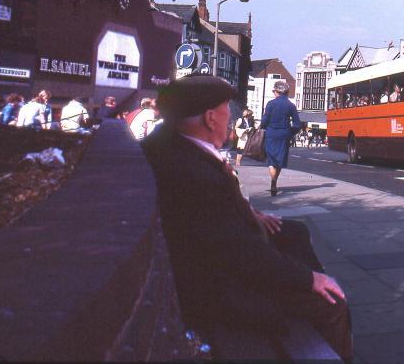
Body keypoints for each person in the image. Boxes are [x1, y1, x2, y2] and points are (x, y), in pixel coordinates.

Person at [141, 75, 351, 360]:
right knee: (333, 301)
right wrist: (307, 280)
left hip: (207, 266)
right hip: (220, 290)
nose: (232, 117)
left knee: (294, 231)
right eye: (228, 108)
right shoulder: (194, 173)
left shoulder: (171, 145)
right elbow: (241, 251)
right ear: (211, 118)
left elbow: (218, 219)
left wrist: (249, 211)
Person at [261, 81, 302, 196]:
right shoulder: (291, 105)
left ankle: (273, 181)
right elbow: (297, 124)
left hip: (271, 134)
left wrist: (262, 127)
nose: (273, 93)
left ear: (277, 91)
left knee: (271, 159)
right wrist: (290, 132)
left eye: (274, 91)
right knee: (280, 159)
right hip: (284, 134)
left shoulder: (270, 104)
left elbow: (264, 121)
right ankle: (274, 181)